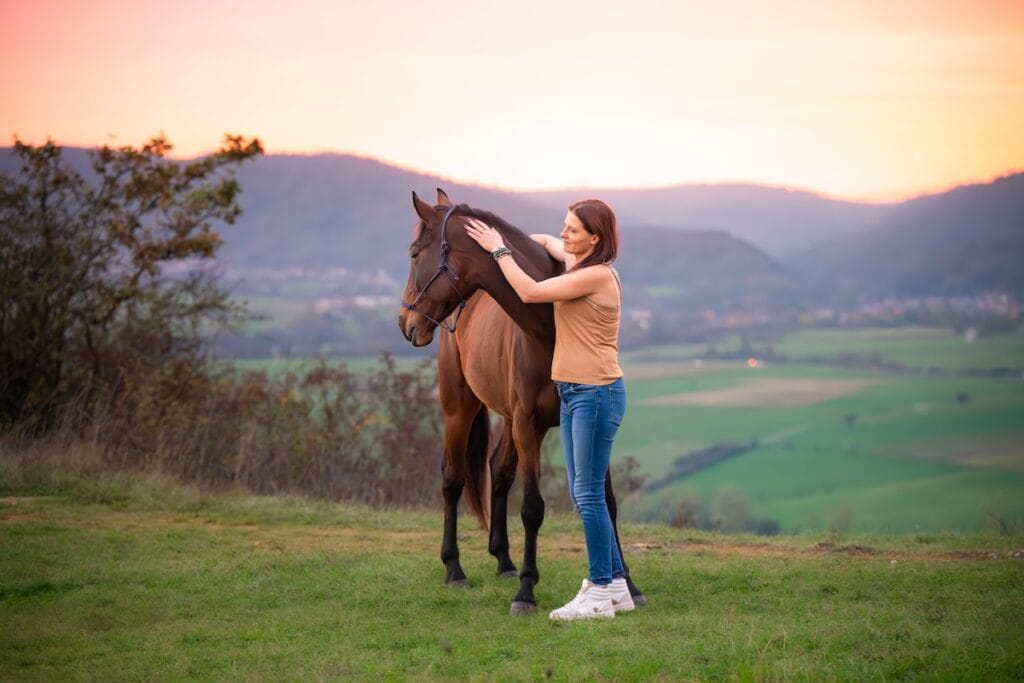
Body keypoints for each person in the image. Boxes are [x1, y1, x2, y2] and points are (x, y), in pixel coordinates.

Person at [465, 199, 633, 621]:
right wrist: (506, 240)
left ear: (595, 239)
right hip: (579, 393)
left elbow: (530, 291)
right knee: (584, 491)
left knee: (589, 495)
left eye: (573, 230)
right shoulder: (579, 263)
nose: (564, 236)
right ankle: (615, 586)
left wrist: (499, 252)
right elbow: (542, 242)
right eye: (565, 226)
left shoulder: (594, 277)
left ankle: (598, 591)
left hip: (595, 393)